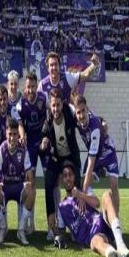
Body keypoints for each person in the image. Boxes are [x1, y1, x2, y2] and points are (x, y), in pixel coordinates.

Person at [56, 161, 129, 257]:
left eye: (70, 175)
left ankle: (120, 244)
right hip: (91, 236)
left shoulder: (84, 189)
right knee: (96, 242)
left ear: (74, 176)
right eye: (65, 176)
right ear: (61, 179)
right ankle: (112, 253)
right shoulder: (61, 208)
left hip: (102, 221)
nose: (68, 178)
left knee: (107, 194)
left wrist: (80, 195)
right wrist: (59, 237)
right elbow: (61, 232)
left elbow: (97, 203)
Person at [39, 88, 81, 241]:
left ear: (62, 104)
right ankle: (52, 226)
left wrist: (101, 121)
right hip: (56, 159)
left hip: (70, 157)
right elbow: (43, 139)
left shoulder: (70, 113)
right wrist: (43, 144)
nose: (56, 109)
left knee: (74, 186)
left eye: (58, 105)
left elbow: (84, 116)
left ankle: (77, 225)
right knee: (48, 184)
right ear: (50, 106)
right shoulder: (48, 120)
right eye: (53, 105)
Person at [0, 118, 36, 245]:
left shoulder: (23, 149)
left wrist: (29, 184)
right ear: (6, 134)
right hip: (5, 187)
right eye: (10, 134)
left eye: (15, 134)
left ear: (18, 135)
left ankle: (21, 230)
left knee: (32, 191)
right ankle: (3, 228)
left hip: (19, 187)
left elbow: (31, 177)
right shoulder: (2, 149)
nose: (12, 138)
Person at [11, 72, 47, 233]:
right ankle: (31, 222)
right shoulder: (21, 104)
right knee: (30, 183)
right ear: (25, 88)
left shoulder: (44, 98)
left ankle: (53, 223)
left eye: (33, 87)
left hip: (44, 143)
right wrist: (22, 134)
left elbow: (52, 112)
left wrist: (48, 134)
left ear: (36, 86)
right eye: (28, 87)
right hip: (30, 145)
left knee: (51, 182)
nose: (31, 90)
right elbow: (19, 123)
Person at [73, 95, 121, 212]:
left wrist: (82, 195)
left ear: (87, 109)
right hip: (94, 152)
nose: (81, 115)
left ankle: (116, 216)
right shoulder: (75, 118)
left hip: (107, 151)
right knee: (84, 181)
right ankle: (91, 214)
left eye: (83, 111)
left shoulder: (94, 129)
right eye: (78, 112)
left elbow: (91, 162)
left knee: (114, 185)